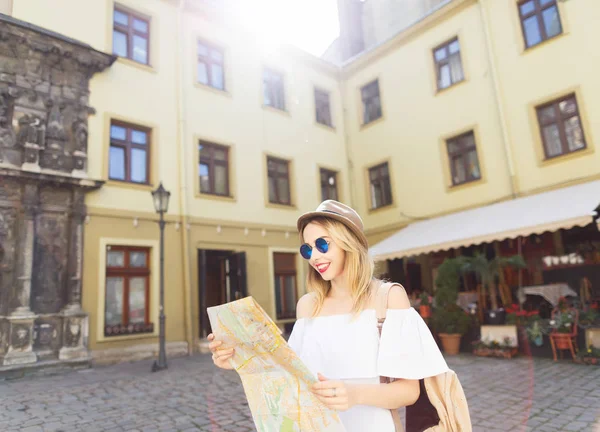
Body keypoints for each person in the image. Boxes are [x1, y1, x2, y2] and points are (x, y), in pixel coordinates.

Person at [208, 200, 449, 432]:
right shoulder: (306, 306)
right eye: (307, 249)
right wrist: (240, 360)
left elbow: (409, 392)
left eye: (322, 245)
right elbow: (290, 379)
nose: (314, 256)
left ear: (349, 243)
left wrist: (353, 394)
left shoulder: (389, 297)